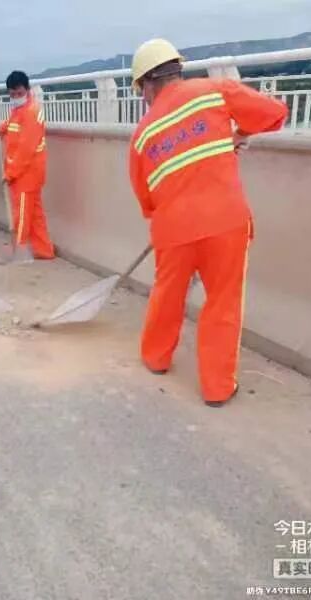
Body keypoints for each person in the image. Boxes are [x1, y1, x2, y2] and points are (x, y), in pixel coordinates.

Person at [127, 38, 288, 406]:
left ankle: (156, 358)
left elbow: (145, 196)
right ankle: (217, 388)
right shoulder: (214, 91)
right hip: (225, 223)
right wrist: (239, 134)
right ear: (176, 70)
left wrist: (162, 215)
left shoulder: (142, 134)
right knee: (222, 304)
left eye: (141, 91)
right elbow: (274, 113)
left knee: (167, 294)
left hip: (173, 230)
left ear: (147, 83)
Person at [0, 70, 55, 262]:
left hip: (26, 173)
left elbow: (25, 150)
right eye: (12, 94)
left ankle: (20, 252)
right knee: (35, 214)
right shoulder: (21, 109)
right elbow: (14, 123)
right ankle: (44, 250)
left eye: (19, 93)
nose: (16, 97)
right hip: (28, 172)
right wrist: (2, 127)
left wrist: (10, 173)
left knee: (21, 215)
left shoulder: (30, 112)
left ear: (27, 90)